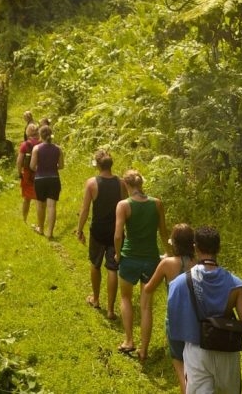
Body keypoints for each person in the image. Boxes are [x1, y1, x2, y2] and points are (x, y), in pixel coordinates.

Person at [167, 226, 242, 393]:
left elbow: (174, 327)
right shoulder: (236, 285)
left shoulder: (178, 284)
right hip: (227, 351)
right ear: (218, 248)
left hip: (196, 351)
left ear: (195, 247)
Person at [114, 169, 167, 355]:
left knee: (126, 298)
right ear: (141, 184)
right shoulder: (157, 203)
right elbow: (163, 232)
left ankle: (129, 340)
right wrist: (168, 253)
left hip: (129, 258)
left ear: (126, 184)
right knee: (146, 306)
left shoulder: (123, 205)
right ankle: (144, 350)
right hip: (151, 260)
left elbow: (118, 235)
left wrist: (118, 255)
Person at [141, 223, 196, 391]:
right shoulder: (199, 262)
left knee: (179, 362)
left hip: (175, 320)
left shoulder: (167, 264)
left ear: (175, 244)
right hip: (197, 319)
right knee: (194, 363)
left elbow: (148, 288)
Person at [76, 150, 127, 319]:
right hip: (116, 232)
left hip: (97, 231)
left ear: (98, 165)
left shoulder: (92, 183)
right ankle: (111, 310)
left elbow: (85, 209)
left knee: (95, 264)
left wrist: (79, 229)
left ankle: (96, 299)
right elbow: (126, 206)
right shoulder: (121, 183)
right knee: (113, 269)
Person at [30, 125, 63, 238]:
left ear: (40, 135)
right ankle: (50, 233)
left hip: (40, 179)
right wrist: (52, 167)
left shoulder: (36, 149)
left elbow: (32, 166)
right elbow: (61, 165)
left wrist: (40, 168)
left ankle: (41, 228)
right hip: (54, 179)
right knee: (51, 206)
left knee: (40, 205)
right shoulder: (58, 149)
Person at [15, 124, 41, 226]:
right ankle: (40, 223)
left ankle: (25, 220)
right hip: (40, 172)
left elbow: (19, 162)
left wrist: (19, 173)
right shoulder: (41, 143)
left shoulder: (25, 145)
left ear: (27, 133)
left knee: (27, 198)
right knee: (39, 199)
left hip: (27, 174)